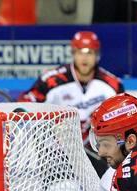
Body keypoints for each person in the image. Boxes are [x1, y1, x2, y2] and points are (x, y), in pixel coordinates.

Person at [19, 30, 124, 177]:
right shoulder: (51, 81)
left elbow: (123, 121)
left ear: (97, 55)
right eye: (80, 52)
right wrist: (24, 108)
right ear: (73, 53)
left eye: (90, 53)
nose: (85, 58)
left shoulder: (112, 85)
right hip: (57, 156)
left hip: (96, 153)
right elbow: (25, 105)